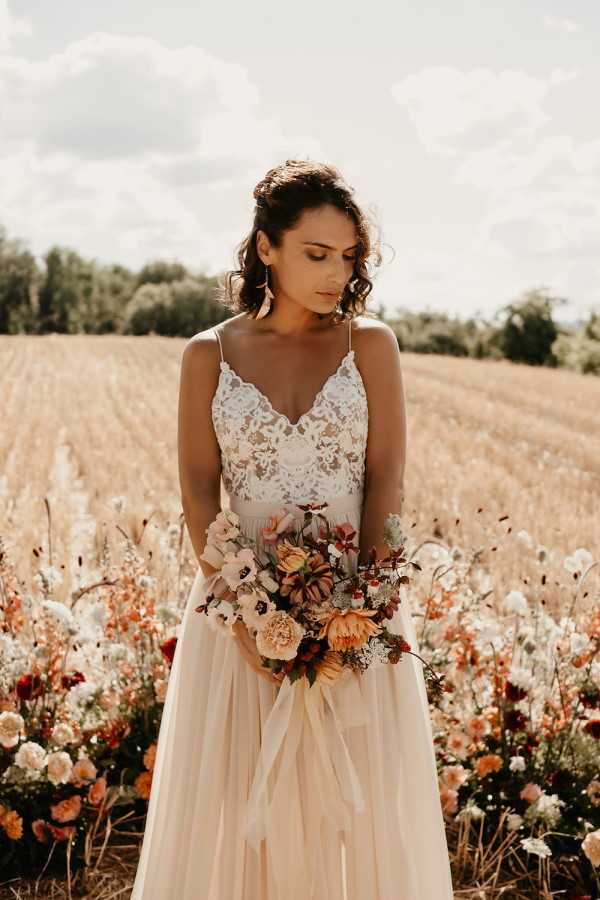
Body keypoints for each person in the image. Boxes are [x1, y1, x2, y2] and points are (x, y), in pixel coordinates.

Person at [130, 159, 454, 899]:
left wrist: (360, 609)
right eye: (316, 253)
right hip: (237, 617)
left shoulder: (370, 345)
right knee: (243, 808)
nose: (336, 273)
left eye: (348, 257)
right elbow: (199, 488)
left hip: (356, 614)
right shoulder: (206, 355)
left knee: (359, 811)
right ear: (266, 247)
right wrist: (248, 612)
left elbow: (385, 480)